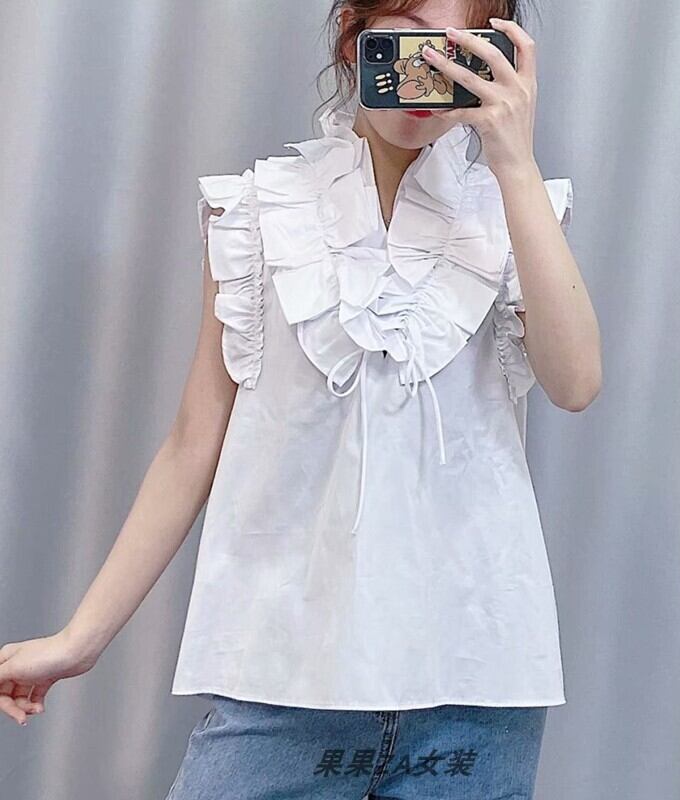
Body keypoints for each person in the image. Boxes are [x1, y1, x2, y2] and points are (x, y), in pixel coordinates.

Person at [0, 0, 601, 797]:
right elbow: (194, 441)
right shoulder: (261, 209)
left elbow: (575, 383)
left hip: (476, 684)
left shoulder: (515, 211)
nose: (428, 71)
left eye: (458, 50)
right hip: (284, 675)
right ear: (354, 38)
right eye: (408, 41)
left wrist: (515, 165)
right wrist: (82, 638)